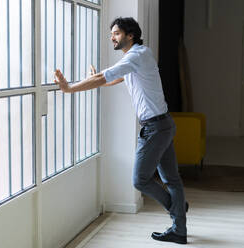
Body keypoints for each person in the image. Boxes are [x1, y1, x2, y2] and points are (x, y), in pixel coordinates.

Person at [54, 17, 188, 245]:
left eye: (116, 33)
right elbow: (109, 80)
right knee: (171, 179)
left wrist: (69, 88)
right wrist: (93, 79)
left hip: (155, 128)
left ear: (130, 35)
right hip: (163, 124)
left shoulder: (136, 56)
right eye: (112, 34)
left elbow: (102, 78)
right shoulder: (138, 57)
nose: (112, 37)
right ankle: (179, 229)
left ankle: (177, 209)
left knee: (140, 180)